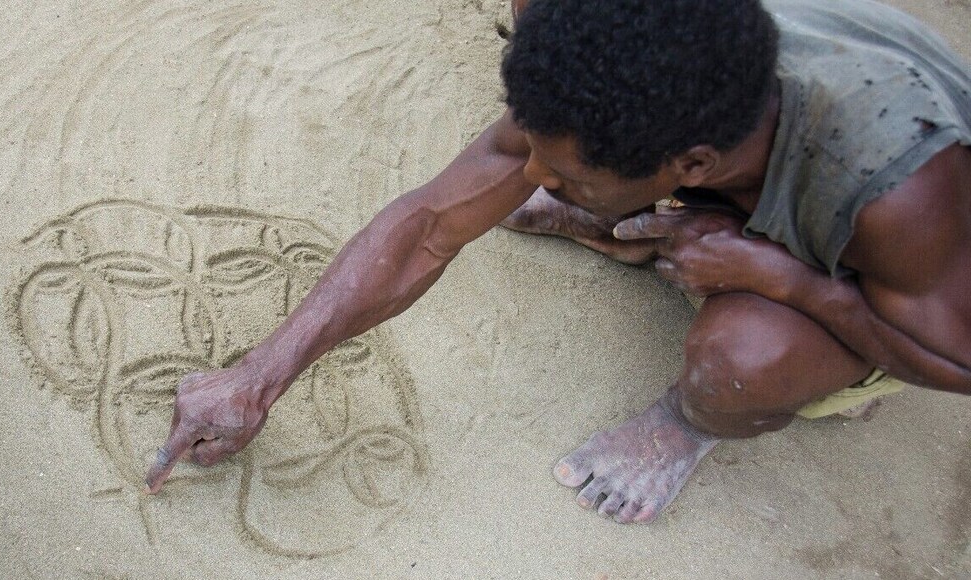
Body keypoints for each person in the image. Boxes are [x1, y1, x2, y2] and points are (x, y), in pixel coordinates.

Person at [145, 0, 971, 524]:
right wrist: (261, 375)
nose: (532, 178)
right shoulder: (650, 63)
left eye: (564, 174)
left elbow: (956, 355)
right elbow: (431, 222)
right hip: (725, 189)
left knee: (742, 363)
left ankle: (689, 424)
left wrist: (783, 279)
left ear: (689, 166)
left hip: (891, 278)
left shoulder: (899, 192)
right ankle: (631, 225)